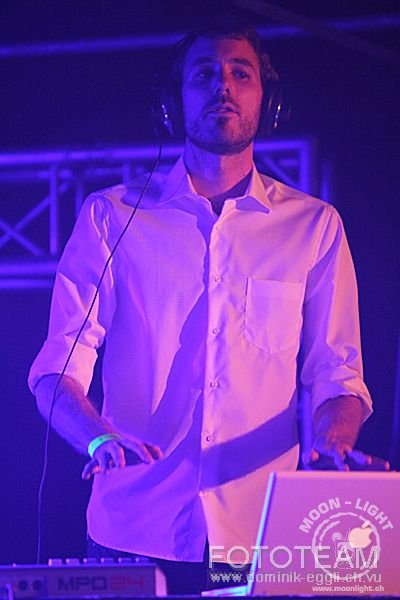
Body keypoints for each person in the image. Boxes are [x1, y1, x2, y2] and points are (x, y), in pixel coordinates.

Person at [29, 17, 376, 594]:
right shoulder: (111, 217)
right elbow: (56, 370)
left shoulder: (314, 226)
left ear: (267, 101)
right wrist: (97, 438)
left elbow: (338, 375)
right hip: (133, 527)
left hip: (264, 533)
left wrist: (333, 445)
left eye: (241, 74)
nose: (223, 87)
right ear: (173, 102)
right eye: (204, 75)